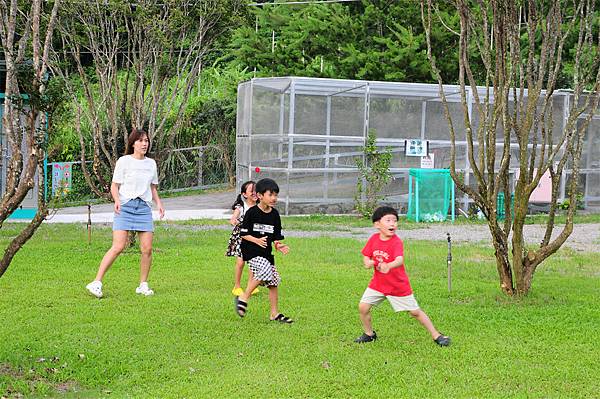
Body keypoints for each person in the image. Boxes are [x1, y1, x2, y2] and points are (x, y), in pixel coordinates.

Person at [85, 129, 165, 298]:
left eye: (146, 141)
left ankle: (143, 285)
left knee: (147, 249)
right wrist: (117, 200)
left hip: (143, 208)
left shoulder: (151, 164)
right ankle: (96, 282)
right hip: (126, 207)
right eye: (141, 141)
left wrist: (159, 204)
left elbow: (153, 187)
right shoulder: (124, 161)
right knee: (118, 246)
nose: (144, 144)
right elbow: (115, 186)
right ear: (133, 143)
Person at [355, 206, 450, 346]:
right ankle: (369, 334)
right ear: (377, 224)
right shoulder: (373, 239)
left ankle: (437, 335)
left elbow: (399, 260)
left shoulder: (396, 241)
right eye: (388, 220)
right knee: (363, 307)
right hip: (378, 284)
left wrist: (389, 266)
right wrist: (368, 262)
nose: (393, 223)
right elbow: (366, 255)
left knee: (415, 312)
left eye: (395, 220)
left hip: (397, 286)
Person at [234, 178, 293, 323]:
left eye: (276, 195)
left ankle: (274, 314)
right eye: (271, 195)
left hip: (266, 254)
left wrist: (279, 245)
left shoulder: (275, 215)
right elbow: (243, 234)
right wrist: (257, 240)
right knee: (266, 271)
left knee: (273, 282)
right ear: (260, 196)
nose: (274, 198)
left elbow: (275, 237)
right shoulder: (252, 213)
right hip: (251, 252)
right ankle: (244, 297)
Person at [226, 180, 259, 296]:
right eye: (252, 191)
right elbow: (233, 218)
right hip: (242, 238)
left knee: (253, 263)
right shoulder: (241, 207)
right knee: (240, 262)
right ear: (244, 194)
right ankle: (237, 286)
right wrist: (233, 221)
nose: (255, 193)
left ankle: (251, 286)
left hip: (254, 238)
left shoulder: (260, 207)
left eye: (256, 190)